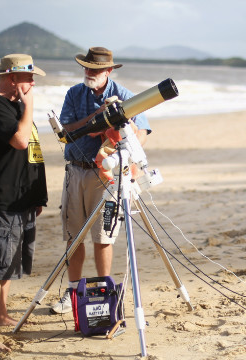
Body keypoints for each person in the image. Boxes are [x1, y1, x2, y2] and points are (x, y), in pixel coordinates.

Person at [50, 47, 151, 314]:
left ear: (108, 71)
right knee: (74, 235)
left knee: (104, 236)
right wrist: (97, 119)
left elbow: (143, 132)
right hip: (77, 170)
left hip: (107, 174)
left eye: (94, 69)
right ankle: (72, 294)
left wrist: (122, 137)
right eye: (86, 67)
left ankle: (104, 292)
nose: (89, 73)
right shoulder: (74, 93)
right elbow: (66, 130)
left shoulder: (125, 96)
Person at [0, 54, 48, 352]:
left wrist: (38, 194)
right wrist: (29, 106)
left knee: (9, 264)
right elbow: (19, 140)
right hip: (2, 200)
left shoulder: (18, 107)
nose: (33, 83)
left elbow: (32, 152)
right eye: (28, 78)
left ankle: (3, 313)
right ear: (11, 78)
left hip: (23, 199)